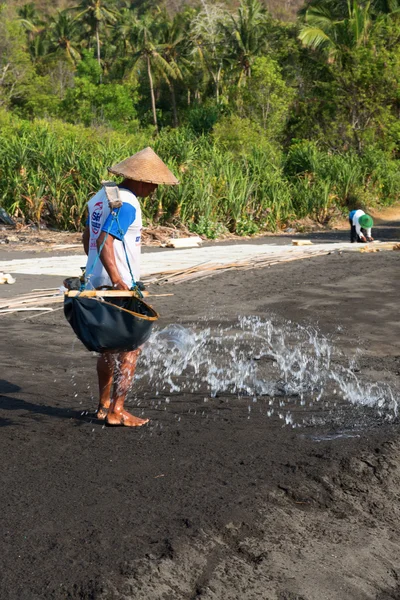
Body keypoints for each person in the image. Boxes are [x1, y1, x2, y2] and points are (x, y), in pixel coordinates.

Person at [82, 147, 179, 426]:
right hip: (118, 286)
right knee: (132, 347)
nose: (154, 190)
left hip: (95, 282)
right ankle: (118, 410)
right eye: (152, 184)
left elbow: (89, 236)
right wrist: (117, 279)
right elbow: (104, 241)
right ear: (140, 180)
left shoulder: (99, 198)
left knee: (108, 349)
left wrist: (95, 271)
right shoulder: (128, 203)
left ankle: (103, 406)